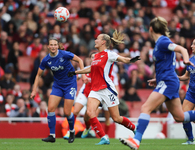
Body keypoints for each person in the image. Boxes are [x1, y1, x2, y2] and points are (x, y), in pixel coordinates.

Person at [119, 16, 195, 150]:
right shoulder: (160, 43)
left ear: (151, 28)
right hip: (167, 81)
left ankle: (136, 140)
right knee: (180, 117)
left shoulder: (162, 41)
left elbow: (182, 49)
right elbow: (166, 65)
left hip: (168, 82)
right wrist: (157, 79)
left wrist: (186, 60)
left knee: (145, 108)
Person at [68, 30, 140, 145]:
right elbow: (91, 69)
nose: (95, 40)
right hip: (95, 90)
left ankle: (135, 129)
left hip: (107, 89)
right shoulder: (96, 56)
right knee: (90, 113)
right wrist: (76, 72)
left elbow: (122, 59)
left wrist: (131, 60)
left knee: (116, 118)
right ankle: (104, 138)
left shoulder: (109, 54)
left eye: (97, 39)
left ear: (103, 42)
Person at [30, 37, 88, 143]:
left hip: (70, 85)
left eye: (54, 45)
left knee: (67, 112)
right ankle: (52, 135)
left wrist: (83, 75)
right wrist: (34, 90)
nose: (53, 47)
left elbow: (79, 60)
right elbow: (38, 75)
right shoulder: (46, 60)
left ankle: (71, 131)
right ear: (48, 46)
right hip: (57, 85)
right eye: (51, 45)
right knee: (50, 109)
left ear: (57, 46)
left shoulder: (65, 54)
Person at [178, 39, 195, 145]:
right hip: (191, 93)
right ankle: (190, 140)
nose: (192, 46)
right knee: (184, 116)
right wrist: (176, 77)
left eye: (194, 44)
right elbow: (186, 76)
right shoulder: (191, 60)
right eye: (192, 44)